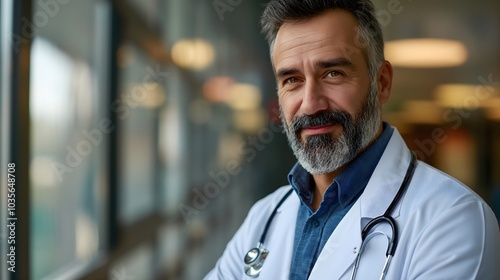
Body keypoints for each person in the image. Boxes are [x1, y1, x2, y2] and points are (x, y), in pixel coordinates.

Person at [205, 0, 500, 279]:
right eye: (292, 80)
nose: (310, 104)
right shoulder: (264, 218)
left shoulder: (454, 220)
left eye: (333, 73)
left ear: (381, 83)